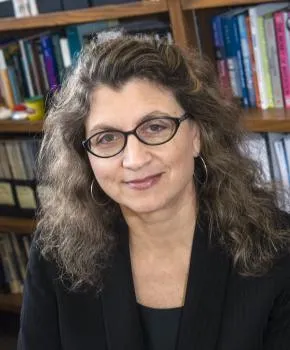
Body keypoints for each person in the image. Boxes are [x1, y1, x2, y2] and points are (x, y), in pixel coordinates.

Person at [18, 32, 290, 350]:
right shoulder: (56, 252)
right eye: (107, 138)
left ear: (197, 136)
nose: (134, 160)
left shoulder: (277, 248)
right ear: (86, 156)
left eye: (155, 127)